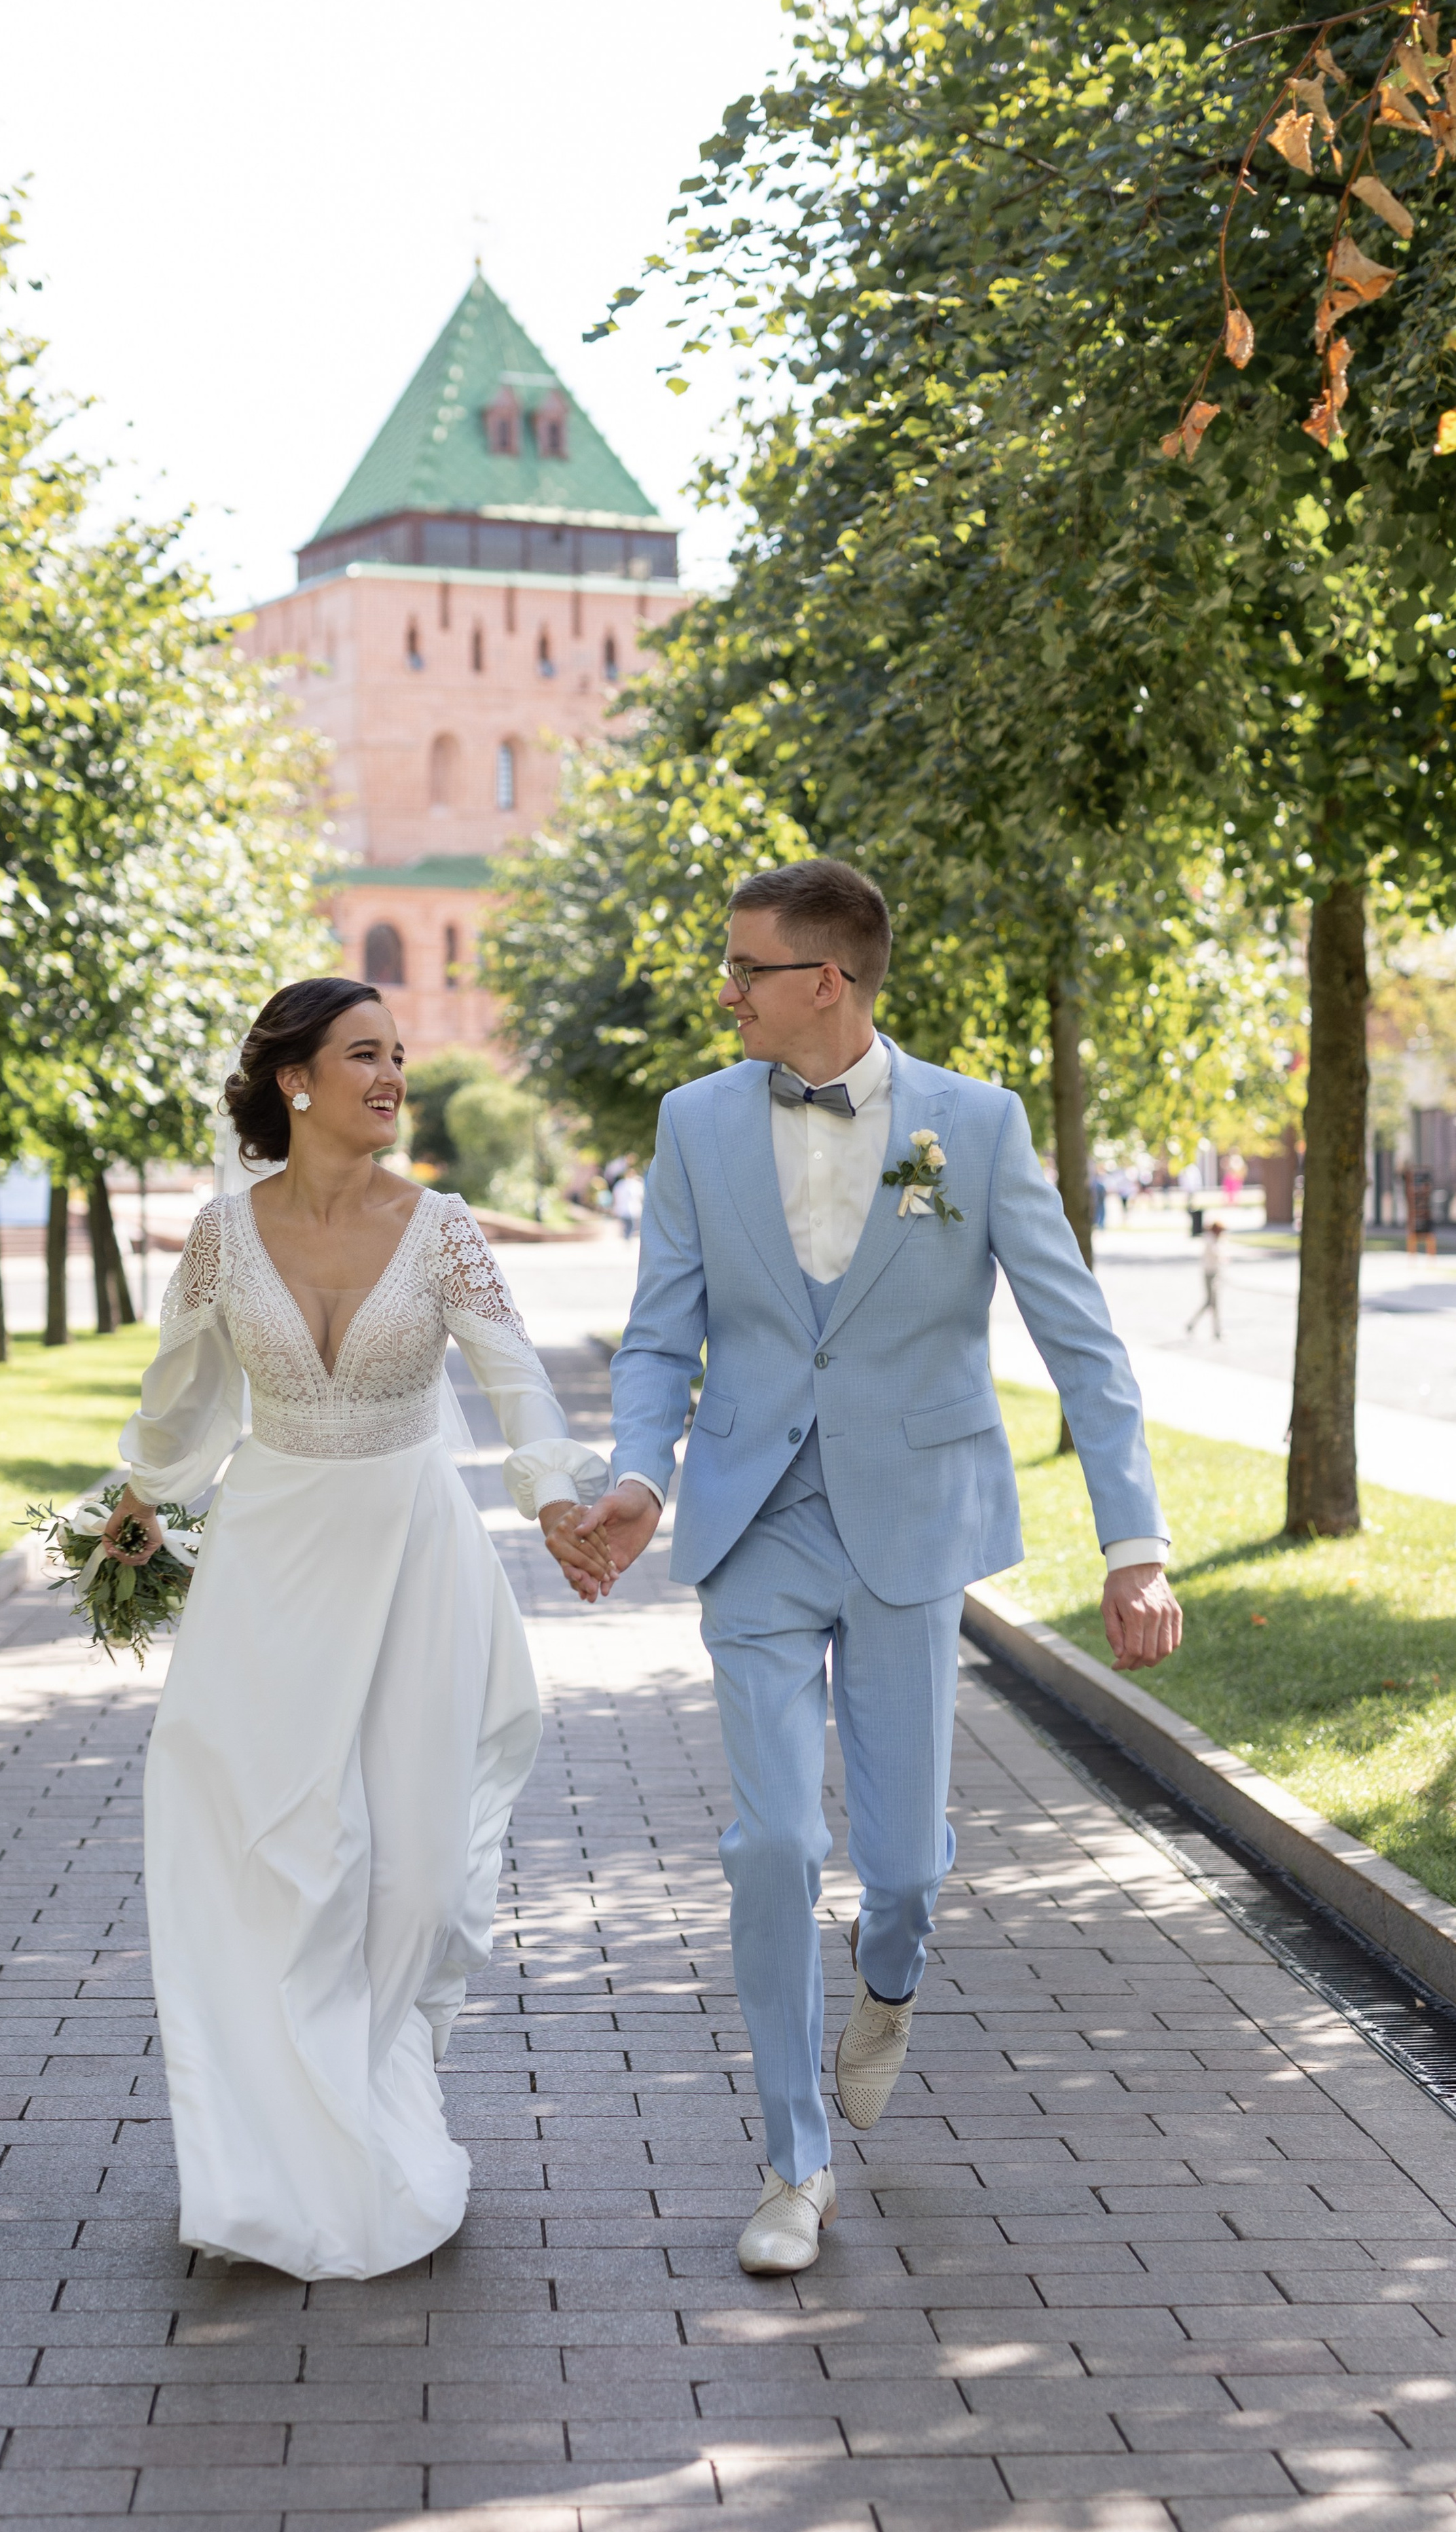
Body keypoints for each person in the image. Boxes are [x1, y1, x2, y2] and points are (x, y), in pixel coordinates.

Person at [548, 860, 1181, 2279]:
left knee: (898, 1867)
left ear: (823, 979)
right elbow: (659, 1336)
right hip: (754, 1514)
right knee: (772, 1841)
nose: (725, 989)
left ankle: (887, 1978)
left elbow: (1078, 1338)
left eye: (745, 966)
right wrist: (639, 1473)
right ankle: (791, 2159)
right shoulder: (695, 1120)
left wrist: (1131, 1545)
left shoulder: (974, 1122)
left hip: (913, 1523)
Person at [96, 979, 610, 2282]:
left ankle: (383, 2103)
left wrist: (553, 1497)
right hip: (269, 1564)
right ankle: (271, 2157)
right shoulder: (222, 1236)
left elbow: (516, 1379)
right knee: (283, 1867)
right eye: (364, 1054)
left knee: (423, 1876)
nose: (391, 1075)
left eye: (400, 1056)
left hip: (412, 1562)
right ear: (297, 1080)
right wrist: (141, 1500)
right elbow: (185, 1403)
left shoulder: (442, 1231)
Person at [1188, 1218, 1226, 1339]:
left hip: (1213, 1273)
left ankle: (1215, 1330)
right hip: (1210, 1274)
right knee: (1211, 1302)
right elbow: (1216, 1255)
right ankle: (1212, 1329)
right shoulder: (1211, 1241)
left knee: (1212, 1303)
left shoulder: (1212, 1240)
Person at [611, 1164, 646, 1242]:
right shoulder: (622, 1185)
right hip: (625, 1209)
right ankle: (627, 1238)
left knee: (630, 1225)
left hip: (632, 1209)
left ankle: (627, 1238)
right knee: (627, 1225)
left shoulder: (636, 1185)